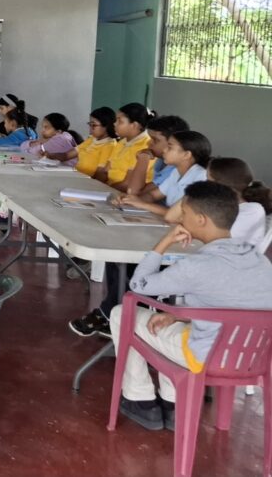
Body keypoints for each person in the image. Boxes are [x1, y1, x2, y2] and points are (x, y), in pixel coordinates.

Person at [110, 181, 272, 431]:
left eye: (184, 214)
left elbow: (139, 284)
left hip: (208, 356)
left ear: (200, 219)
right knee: (167, 323)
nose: (179, 219)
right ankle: (173, 403)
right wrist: (179, 317)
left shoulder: (195, 265)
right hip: (252, 358)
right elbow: (235, 307)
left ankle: (139, 398)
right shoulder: (259, 260)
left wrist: (164, 242)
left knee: (123, 313)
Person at [166, 157, 271, 246]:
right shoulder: (219, 205)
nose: (204, 184)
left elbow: (214, 238)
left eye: (207, 180)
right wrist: (195, 189)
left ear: (217, 185)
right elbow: (170, 217)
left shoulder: (252, 210)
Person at [115, 131, 211, 217]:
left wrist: (142, 204)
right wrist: (130, 200)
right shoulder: (176, 172)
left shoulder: (201, 177)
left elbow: (182, 215)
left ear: (186, 155)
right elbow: (153, 195)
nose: (164, 150)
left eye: (170, 147)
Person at [93, 103, 155, 192]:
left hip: (124, 193)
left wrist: (102, 190)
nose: (114, 124)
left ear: (134, 125)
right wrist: (95, 188)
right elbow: (104, 171)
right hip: (110, 189)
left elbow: (127, 184)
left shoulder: (145, 145)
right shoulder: (122, 142)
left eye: (120, 121)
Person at [124, 115, 191, 195]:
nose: (148, 143)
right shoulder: (161, 160)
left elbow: (134, 192)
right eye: (150, 139)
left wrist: (143, 158)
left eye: (155, 140)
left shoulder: (175, 168)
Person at [52, 107, 116, 176]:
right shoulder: (91, 140)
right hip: (78, 175)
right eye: (90, 124)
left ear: (107, 126)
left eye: (94, 125)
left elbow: (101, 173)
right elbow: (66, 155)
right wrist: (50, 155)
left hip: (88, 181)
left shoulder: (109, 145)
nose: (90, 129)